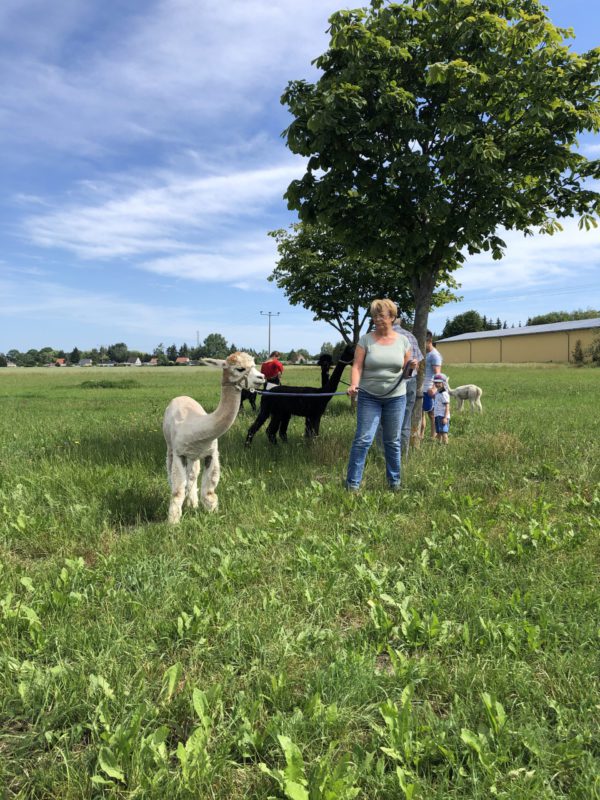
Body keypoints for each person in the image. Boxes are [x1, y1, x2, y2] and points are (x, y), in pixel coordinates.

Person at [345, 299, 412, 492]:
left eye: (381, 316)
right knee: (363, 439)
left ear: (392, 317)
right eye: (374, 316)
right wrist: (354, 385)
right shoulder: (365, 340)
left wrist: (411, 367)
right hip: (369, 396)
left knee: (392, 440)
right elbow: (357, 366)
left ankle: (394, 483)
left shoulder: (403, 341)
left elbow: (407, 374)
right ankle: (352, 485)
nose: (377, 319)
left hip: (396, 397)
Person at [392, 316, 423, 457]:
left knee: (384, 421)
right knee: (405, 419)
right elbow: (419, 360)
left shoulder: (383, 336)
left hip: (393, 382)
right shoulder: (411, 336)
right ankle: (403, 455)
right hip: (411, 380)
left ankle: (384, 454)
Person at [420, 332, 443, 440]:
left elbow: (438, 374)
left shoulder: (434, 355)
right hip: (421, 388)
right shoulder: (424, 353)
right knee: (420, 413)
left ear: (429, 341)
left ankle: (433, 436)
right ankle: (420, 436)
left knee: (432, 414)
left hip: (429, 388)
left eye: (423, 342)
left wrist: (434, 388)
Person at [432, 373, 450, 444]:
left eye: (439, 383)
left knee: (444, 432)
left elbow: (447, 406)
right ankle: (438, 445)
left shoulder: (444, 393)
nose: (437, 384)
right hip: (437, 415)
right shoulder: (438, 392)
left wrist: (445, 417)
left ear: (443, 383)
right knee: (439, 432)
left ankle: (445, 445)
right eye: (435, 382)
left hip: (442, 416)